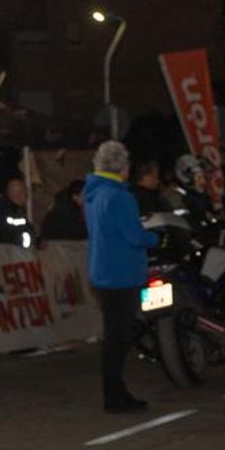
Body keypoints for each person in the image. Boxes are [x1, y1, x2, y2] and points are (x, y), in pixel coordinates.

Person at [84, 140, 160, 413]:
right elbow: (133, 236)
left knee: (114, 338)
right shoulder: (120, 197)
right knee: (118, 340)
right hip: (121, 274)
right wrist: (154, 238)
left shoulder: (93, 195)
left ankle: (115, 392)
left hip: (102, 272)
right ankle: (114, 396)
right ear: (122, 167)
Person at [0, 176, 35, 248]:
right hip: (8, 253)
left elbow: (27, 228)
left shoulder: (18, 211)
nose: (26, 195)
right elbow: (9, 232)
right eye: (22, 192)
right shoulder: (4, 211)